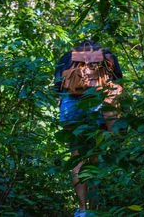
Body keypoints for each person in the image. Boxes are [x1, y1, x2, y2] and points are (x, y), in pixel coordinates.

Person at [54, 40, 123, 216]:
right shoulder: (107, 55)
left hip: (71, 105)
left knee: (77, 159)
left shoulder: (67, 57)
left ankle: (82, 209)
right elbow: (118, 81)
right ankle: (94, 210)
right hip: (97, 103)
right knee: (95, 159)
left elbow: (57, 87)